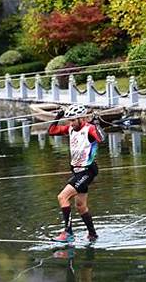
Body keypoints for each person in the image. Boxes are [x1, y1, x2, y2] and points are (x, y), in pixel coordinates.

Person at [48, 104, 104, 242]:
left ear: (82, 118)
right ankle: (92, 234)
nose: (71, 123)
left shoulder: (89, 128)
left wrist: (96, 123)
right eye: (69, 120)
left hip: (87, 171)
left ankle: (68, 233)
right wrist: (58, 116)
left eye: (73, 120)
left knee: (62, 197)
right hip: (77, 171)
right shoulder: (70, 129)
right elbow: (52, 131)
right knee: (80, 206)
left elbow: (101, 138)